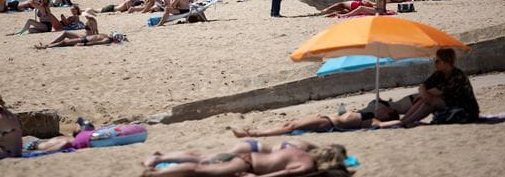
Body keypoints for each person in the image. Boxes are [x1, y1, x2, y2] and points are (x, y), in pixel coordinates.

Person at [378, 48, 479, 128]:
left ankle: (404, 122)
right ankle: (403, 121)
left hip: (465, 108)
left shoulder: (457, 76)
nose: (435, 63)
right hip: (449, 104)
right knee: (426, 99)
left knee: (430, 100)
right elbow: (422, 86)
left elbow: (437, 92)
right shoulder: (439, 74)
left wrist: (424, 94)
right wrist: (423, 94)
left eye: (437, 61)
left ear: (445, 62)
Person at [141, 143, 346, 176]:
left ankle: (159, 164)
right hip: (248, 164)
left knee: (202, 162)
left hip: (247, 157)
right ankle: (155, 174)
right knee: (200, 169)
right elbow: (283, 174)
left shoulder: (301, 151)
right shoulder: (308, 165)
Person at [231, 101, 398, 137]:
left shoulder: (375, 122)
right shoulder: (370, 115)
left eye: (386, 109)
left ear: (387, 115)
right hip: (325, 118)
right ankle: (253, 133)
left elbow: (394, 123)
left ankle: (253, 133)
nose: (383, 108)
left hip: (328, 123)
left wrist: (407, 122)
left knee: (291, 126)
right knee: (288, 124)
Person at [35, 32, 119, 48]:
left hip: (83, 40)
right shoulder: (107, 36)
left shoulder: (107, 39)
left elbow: (96, 42)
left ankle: (47, 46)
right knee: (65, 33)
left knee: (64, 42)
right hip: (84, 37)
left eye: (113, 33)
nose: (111, 32)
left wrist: (84, 45)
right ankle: (49, 43)